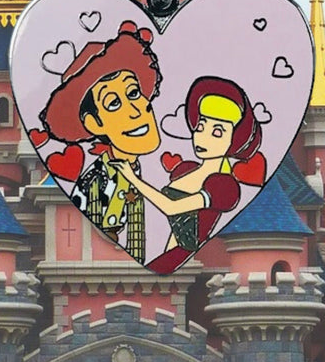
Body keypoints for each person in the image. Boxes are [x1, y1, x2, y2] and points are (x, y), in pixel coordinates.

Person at [113, 75, 265, 274]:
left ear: (234, 140)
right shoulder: (185, 169)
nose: (202, 137)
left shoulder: (223, 186)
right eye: (201, 127)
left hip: (180, 257)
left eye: (217, 132)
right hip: (165, 257)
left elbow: (171, 208)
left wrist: (133, 178)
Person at [39, 20, 162, 263]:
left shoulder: (149, 175)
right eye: (114, 103)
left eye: (134, 93)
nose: (136, 110)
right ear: (93, 124)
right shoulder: (93, 182)